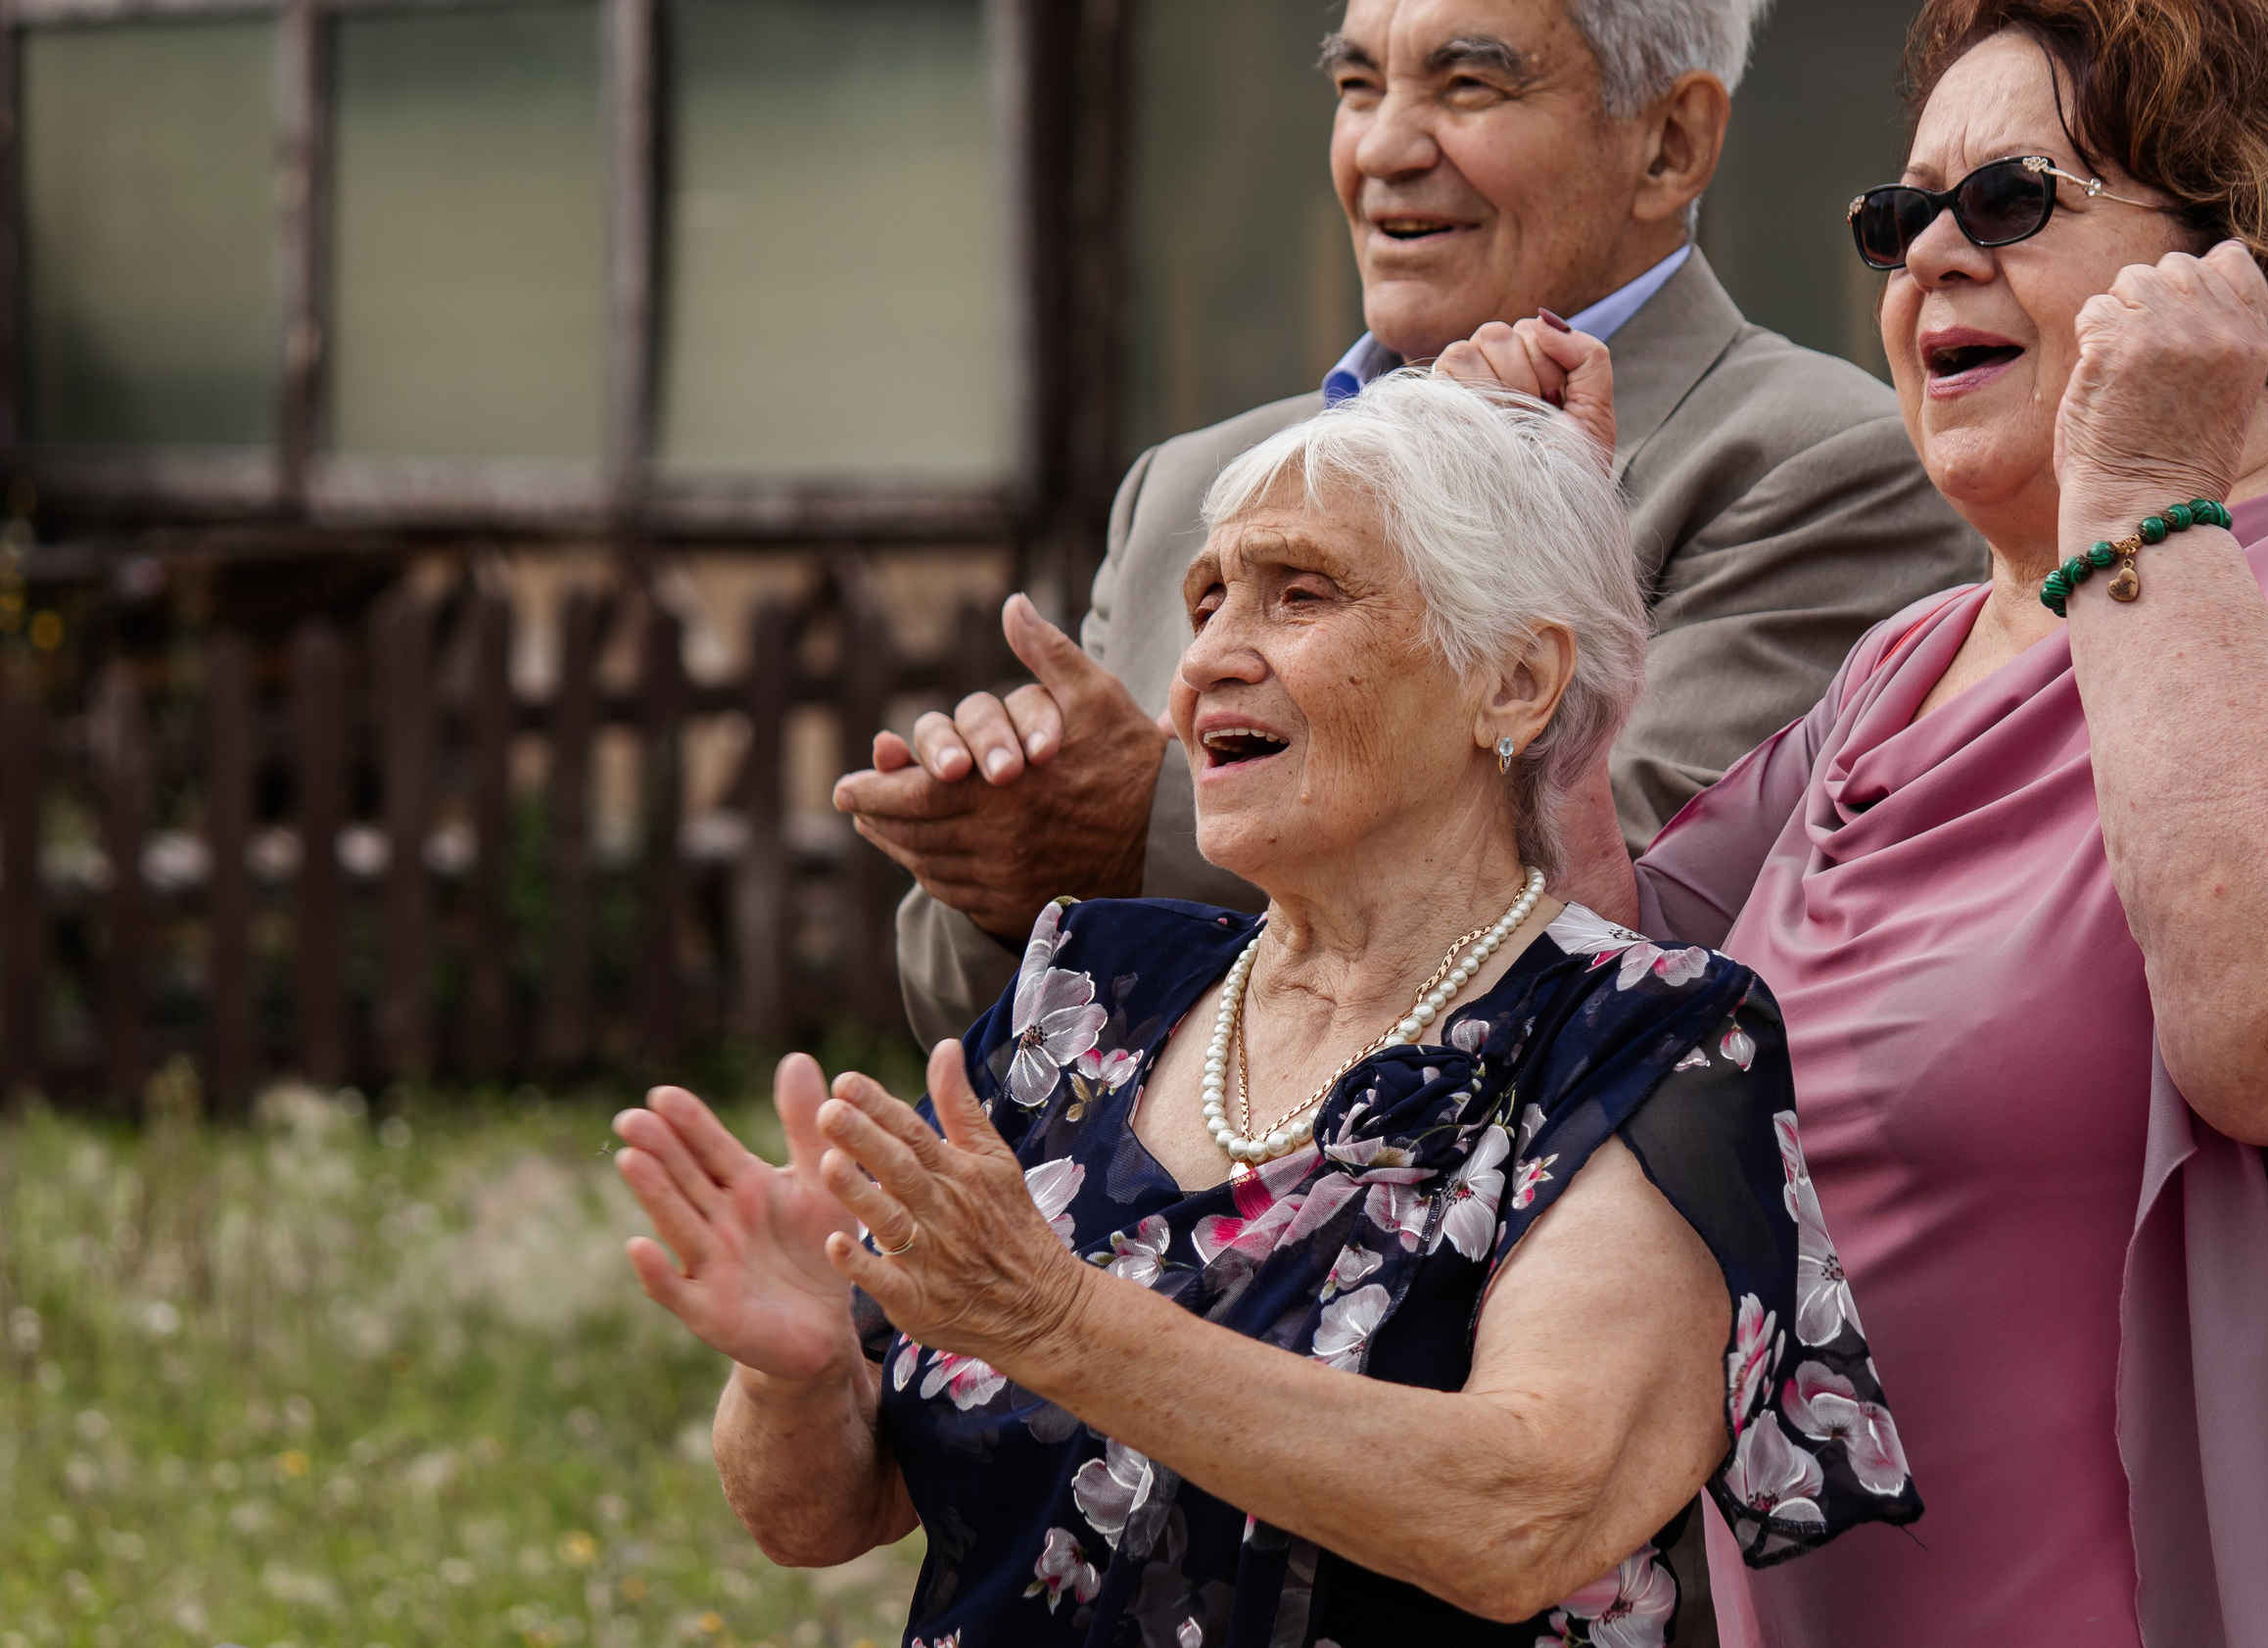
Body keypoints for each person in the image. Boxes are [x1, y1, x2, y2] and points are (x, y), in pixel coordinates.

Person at [613, 374, 1919, 1648]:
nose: (1206, 665)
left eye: (1301, 592)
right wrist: (794, 1369)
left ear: (1514, 683)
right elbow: (828, 1511)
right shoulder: (1092, 986)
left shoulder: (1648, 1038)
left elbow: (1531, 1505)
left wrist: (1059, 1320)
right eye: (1205, 600)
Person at [1618, 0, 2268, 1643]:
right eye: (1902, 217)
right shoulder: (1898, 668)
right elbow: (1595, 1015)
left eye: (2013, 200)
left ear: (2229, 259)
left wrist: (2149, 491)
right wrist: (1544, 601)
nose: (1936, 255)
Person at [839, 0, 1982, 1049]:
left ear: (1670, 143)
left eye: (1467, 84)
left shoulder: (1825, 463)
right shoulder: (1191, 484)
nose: (1382, 146)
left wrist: (1137, 833)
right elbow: (978, 1028)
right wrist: (995, 866)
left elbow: (1629, 921)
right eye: (1356, 86)